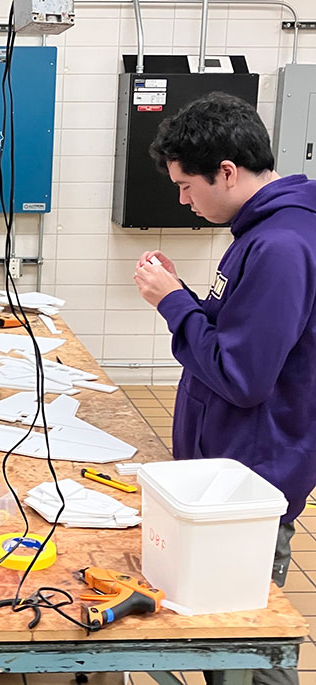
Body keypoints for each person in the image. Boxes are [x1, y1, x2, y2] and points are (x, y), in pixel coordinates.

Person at [136, 91, 316, 685]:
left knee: (244, 656)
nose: (184, 200)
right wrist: (186, 297)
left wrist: (173, 305)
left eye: (188, 186)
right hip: (227, 475)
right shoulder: (260, 233)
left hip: (250, 485)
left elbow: (242, 377)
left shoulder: (281, 245)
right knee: (225, 647)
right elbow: (236, 333)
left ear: (228, 172)